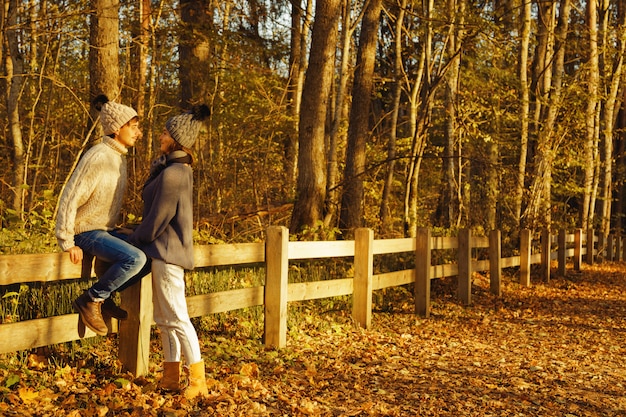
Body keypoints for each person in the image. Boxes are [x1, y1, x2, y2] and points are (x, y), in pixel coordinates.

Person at [128, 104, 210, 399]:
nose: (160, 135)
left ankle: (198, 380)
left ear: (176, 139)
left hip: (167, 253)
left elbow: (159, 217)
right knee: (164, 318)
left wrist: (136, 237)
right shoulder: (172, 168)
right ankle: (170, 377)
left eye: (165, 132)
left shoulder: (175, 172)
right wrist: (137, 232)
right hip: (161, 252)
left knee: (176, 316)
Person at [56, 94, 149, 336]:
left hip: (103, 230)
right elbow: (70, 196)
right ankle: (92, 299)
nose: (138, 133)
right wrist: (66, 241)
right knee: (135, 259)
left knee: (151, 256)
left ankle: (105, 297)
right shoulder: (97, 155)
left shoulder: (118, 158)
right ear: (117, 129)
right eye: (134, 127)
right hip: (85, 231)